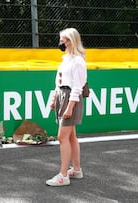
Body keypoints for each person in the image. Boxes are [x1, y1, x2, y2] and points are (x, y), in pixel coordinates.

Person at [46, 28, 86, 186]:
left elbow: (78, 87)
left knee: (63, 137)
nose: (61, 43)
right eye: (61, 39)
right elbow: (59, 82)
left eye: (64, 40)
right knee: (70, 137)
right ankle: (76, 170)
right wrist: (54, 99)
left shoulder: (77, 61)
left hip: (71, 99)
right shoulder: (66, 59)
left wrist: (70, 107)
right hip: (63, 97)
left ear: (72, 41)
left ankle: (63, 175)